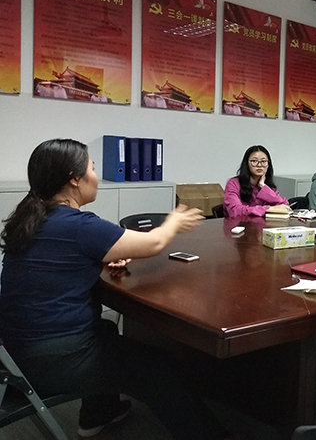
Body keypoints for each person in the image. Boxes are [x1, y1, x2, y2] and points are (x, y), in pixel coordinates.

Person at [0, 139, 232, 440]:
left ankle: (98, 413)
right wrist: (173, 220)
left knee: (106, 330)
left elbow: (56, 265)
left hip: (15, 352)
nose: (96, 176)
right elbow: (154, 243)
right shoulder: (79, 226)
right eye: (93, 168)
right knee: (160, 368)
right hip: (53, 358)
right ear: (74, 179)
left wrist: (99, 258)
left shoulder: (32, 218)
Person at [223, 145, 289, 217]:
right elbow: (234, 211)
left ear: (268, 165)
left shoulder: (268, 186)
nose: (259, 165)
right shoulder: (233, 184)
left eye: (263, 161)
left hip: (263, 224)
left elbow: (285, 206)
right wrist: (268, 209)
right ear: (247, 164)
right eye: (254, 161)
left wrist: (263, 186)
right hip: (240, 223)